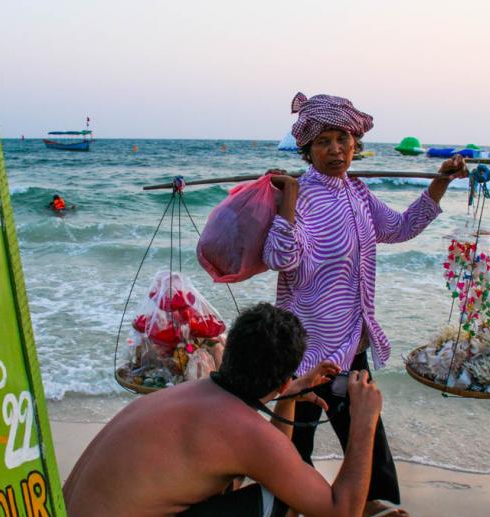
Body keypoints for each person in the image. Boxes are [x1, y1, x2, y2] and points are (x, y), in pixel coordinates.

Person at [263, 92, 468, 514]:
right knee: (289, 462)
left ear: (356, 143)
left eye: (343, 139)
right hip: (304, 356)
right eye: (323, 141)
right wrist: (287, 202)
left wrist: (440, 182)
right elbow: (279, 258)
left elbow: (401, 227)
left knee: (371, 449)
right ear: (307, 149)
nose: (336, 150)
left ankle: (382, 510)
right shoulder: (301, 197)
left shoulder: (358, 193)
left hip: (352, 350)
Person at [62, 303, 386, 516]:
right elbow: (342, 511)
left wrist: (286, 399)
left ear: (228, 350)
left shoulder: (190, 393)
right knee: (282, 498)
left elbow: (273, 457)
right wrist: (364, 423)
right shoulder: (243, 433)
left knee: (256, 483)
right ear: (285, 380)